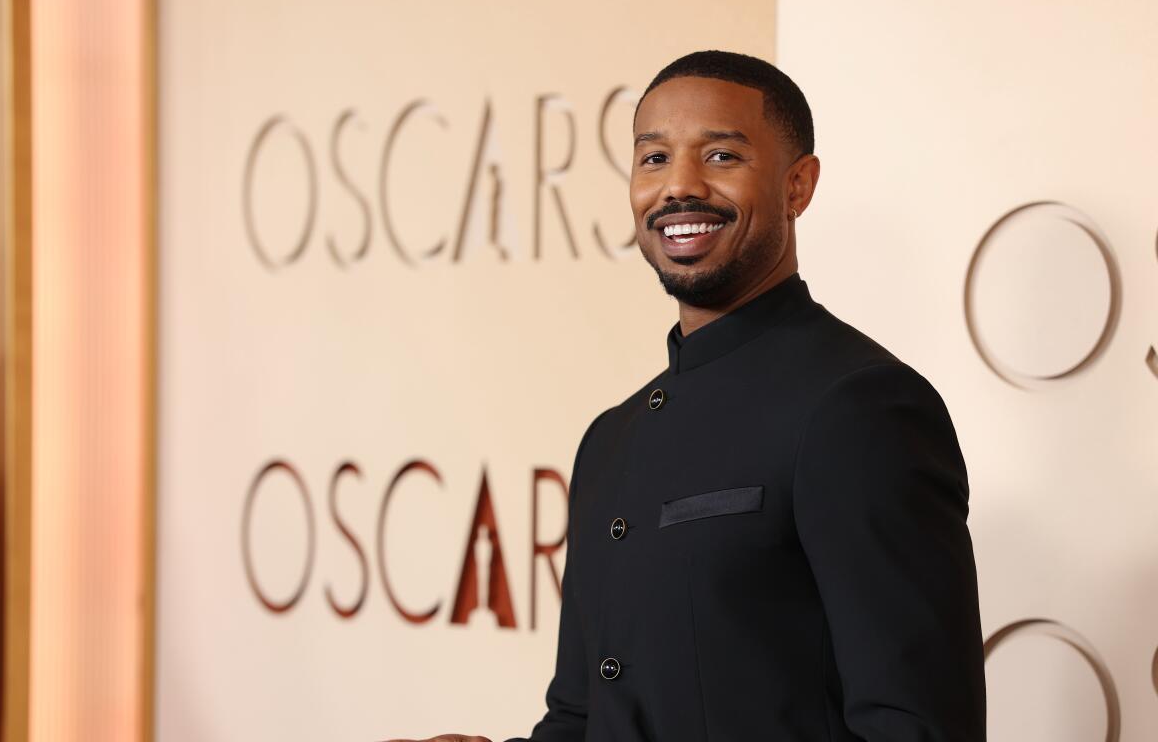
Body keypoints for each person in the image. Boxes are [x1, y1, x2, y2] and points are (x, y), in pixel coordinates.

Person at [385, 50, 986, 742]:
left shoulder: (863, 408)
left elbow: (919, 729)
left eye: (722, 156)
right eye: (654, 159)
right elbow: (582, 720)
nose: (678, 186)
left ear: (798, 185)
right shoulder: (610, 440)